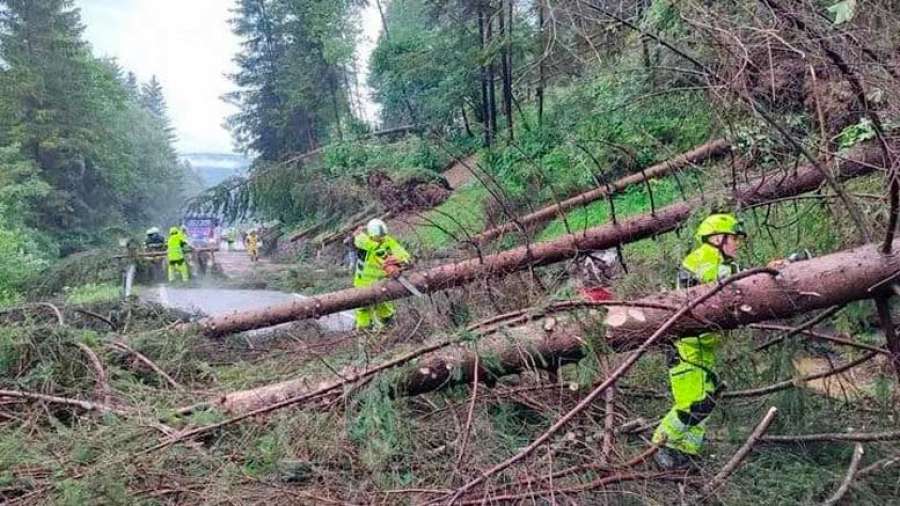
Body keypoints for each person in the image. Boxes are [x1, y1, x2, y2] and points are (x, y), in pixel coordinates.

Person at [652, 213, 746, 469]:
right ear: (717, 238)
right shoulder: (703, 258)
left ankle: (686, 452)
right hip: (686, 348)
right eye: (734, 238)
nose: (737, 243)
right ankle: (660, 445)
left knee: (706, 402)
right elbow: (724, 283)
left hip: (702, 348)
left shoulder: (718, 261)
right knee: (694, 403)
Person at [352, 218, 411, 330]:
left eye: (382, 236)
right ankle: (365, 333)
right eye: (378, 237)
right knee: (363, 309)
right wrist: (386, 257)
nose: (381, 239)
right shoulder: (363, 240)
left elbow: (400, 251)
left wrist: (402, 260)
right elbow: (366, 243)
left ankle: (390, 329)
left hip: (381, 282)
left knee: (384, 306)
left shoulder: (387, 241)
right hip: (363, 283)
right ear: (371, 234)